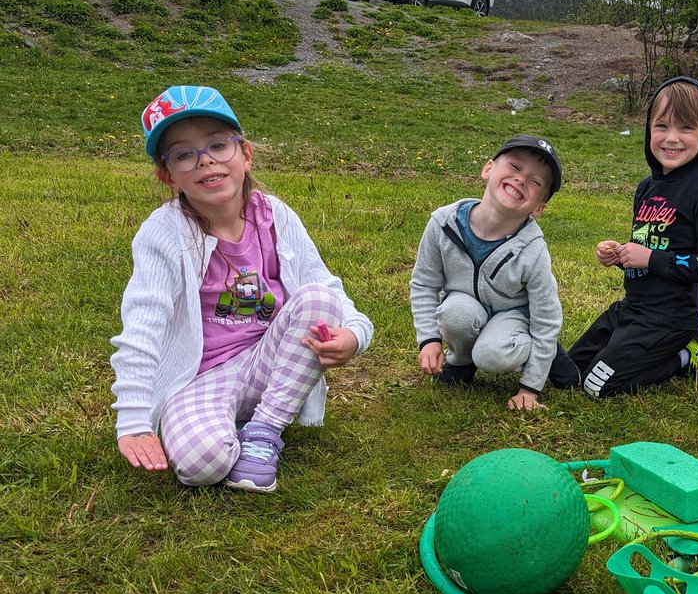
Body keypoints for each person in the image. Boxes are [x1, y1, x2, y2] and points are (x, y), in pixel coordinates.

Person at [111, 85, 374, 492]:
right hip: (202, 377)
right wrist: (133, 421)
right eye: (183, 154)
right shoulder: (163, 233)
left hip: (272, 364)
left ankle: (263, 432)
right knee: (202, 466)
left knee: (316, 300)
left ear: (245, 153)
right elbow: (143, 325)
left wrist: (356, 335)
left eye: (218, 144)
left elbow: (326, 286)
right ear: (168, 176)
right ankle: (219, 422)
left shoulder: (277, 217)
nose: (206, 161)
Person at [567, 77, 698, 397]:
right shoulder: (646, 189)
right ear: (648, 129)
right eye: (662, 126)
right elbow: (644, 250)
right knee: (570, 370)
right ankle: (662, 349)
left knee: (598, 385)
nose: (672, 138)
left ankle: (684, 356)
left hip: (670, 318)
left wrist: (650, 258)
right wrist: (620, 256)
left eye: (686, 128)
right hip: (632, 309)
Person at [410, 135, 578, 411]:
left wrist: (529, 388)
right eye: (514, 166)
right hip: (467, 306)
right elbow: (424, 284)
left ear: (538, 209)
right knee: (454, 314)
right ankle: (462, 363)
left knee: (491, 355)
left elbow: (546, 319)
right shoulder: (443, 223)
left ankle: (541, 353)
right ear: (488, 169)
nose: (522, 179)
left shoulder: (534, 250)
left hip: (514, 317)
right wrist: (428, 340)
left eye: (536, 181)